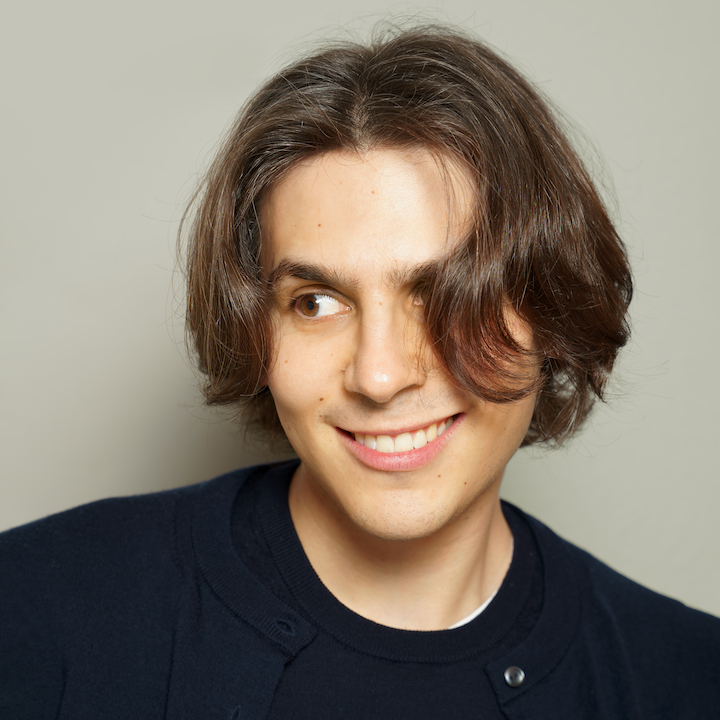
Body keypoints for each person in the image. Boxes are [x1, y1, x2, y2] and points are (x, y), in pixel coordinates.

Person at [1, 24, 719, 720]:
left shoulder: (688, 680)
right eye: (315, 302)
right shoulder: (34, 609)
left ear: (550, 310)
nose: (379, 377)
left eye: (447, 294)